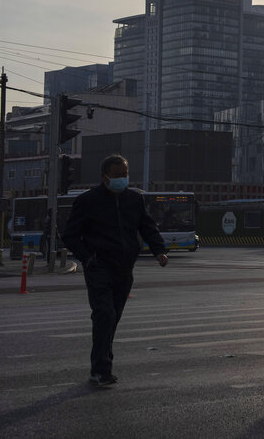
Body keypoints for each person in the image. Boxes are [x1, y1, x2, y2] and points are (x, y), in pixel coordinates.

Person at [61, 154, 169, 387]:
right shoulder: (88, 201)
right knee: (104, 314)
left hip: (124, 268)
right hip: (99, 266)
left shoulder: (134, 200)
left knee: (113, 318)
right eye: (117, 175)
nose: (122, 179)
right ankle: (101, 369)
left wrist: (159, 251)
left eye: (125, 174)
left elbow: (147, 227)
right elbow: (69, 235)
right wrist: (88, 258)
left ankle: (101, 364)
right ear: (104, 177)